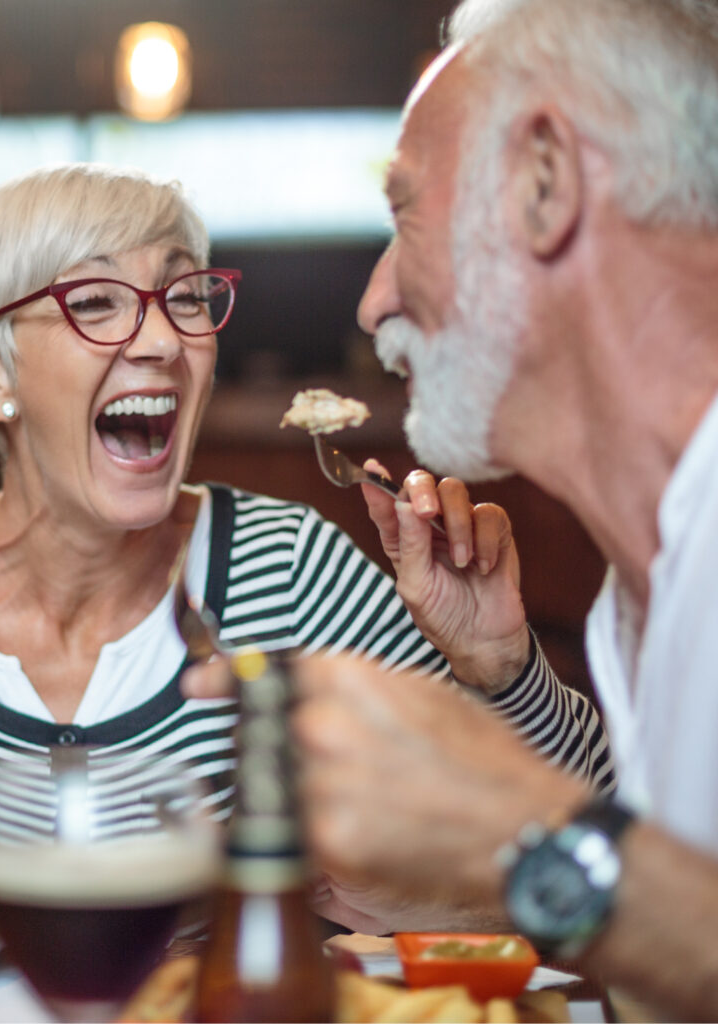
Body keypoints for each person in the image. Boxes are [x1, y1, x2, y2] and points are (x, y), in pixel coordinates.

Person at [0, 163, 610, 875]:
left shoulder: (287, 573)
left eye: (184, 296)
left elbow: (587, 832)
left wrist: (502, 666)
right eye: (94, 303)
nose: (165, 340)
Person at [186, 0, 718, 1018]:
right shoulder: (639, 585)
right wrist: (506, 677)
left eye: (405, 215)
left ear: (545, 181)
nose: (371, 300)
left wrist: (512, 826)